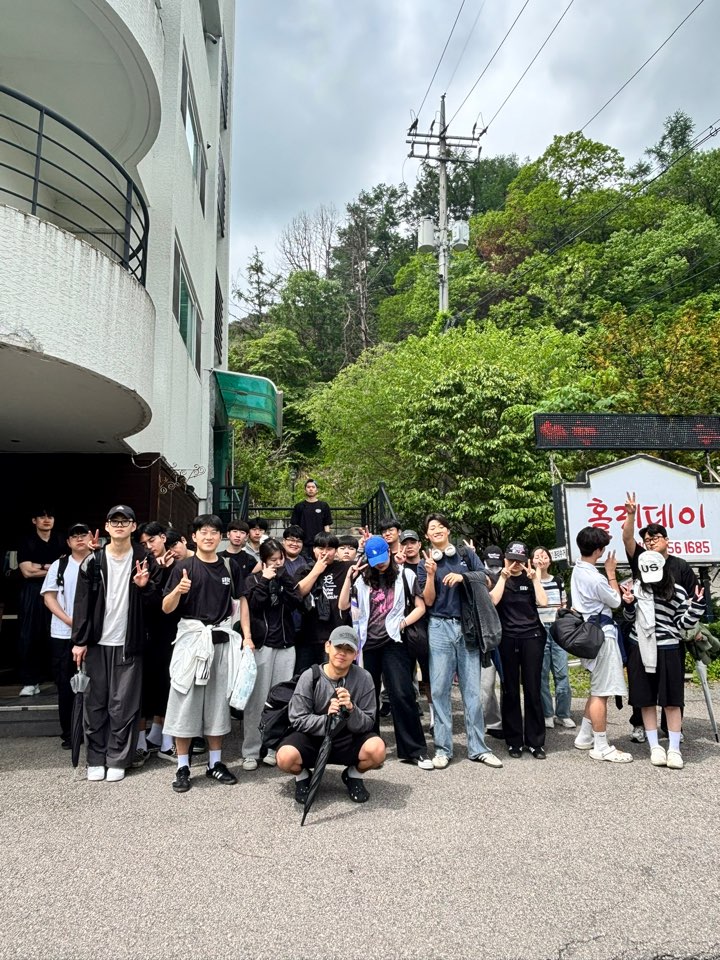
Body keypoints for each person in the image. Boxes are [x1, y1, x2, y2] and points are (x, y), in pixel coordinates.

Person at [162, 514, 248, 793]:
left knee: (217, 705)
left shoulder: (230, 566)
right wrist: (178, 590)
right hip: (191, 643)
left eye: (214, 532)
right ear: (194, 536)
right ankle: (182, 766)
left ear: (220, 537)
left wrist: (247, 637)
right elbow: (166, 607)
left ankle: (215, 763)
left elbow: (242, 601)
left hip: (220, 642)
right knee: (184, 702)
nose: (209, 536)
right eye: (203, 532)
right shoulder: (183, 567)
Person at [71, 505, 154, 782]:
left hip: (129, 642)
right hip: (97, 642)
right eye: (114, 521)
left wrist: (144, 587)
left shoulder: (144, 559)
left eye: (125, 521)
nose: (119, 525)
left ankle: (117, 758)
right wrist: (80, 641)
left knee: (124, 705)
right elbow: (81, 604)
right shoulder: (93, 560)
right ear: (106, 526)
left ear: (134, 526)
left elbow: (156, 603)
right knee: (95, 703)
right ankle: (95, 758)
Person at [338, 536, 433, 770]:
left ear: (389, 553)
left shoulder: (405, 575)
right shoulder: (361, 577)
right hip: (366, 643)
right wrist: (349, 579)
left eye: (382, 558)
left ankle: (414, 750)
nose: (379, 564)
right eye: (374, 561)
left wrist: (403, 623)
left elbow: (420, 607)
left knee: (402, 693)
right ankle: (371, 749)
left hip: (394, 641)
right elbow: (343, 606)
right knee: (367, 698)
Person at [417, 513, 502, 770]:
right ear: (427, 536)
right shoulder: (425, 562)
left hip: (467, 627)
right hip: (439, 626)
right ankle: (443, 749)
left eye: (441, 526)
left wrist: (463, 577)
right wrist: (430, 575)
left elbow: (488, 579)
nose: (437, 530)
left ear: (448, 531)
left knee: (472, 690)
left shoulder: (465, 554)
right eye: (432, 528)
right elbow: (428, 601)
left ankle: (479, 748)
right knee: (440, 690)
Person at [276, 625, 386, 805]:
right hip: (314, 737)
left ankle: (353, 775)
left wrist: (351, 709)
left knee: (377, 749)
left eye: (348, 649)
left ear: (356, 654)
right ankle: (302, 776)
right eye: (338, 647)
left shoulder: (364, 678)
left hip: (348, 736)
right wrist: (326, 719)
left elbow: (368, 722)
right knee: (285, 757)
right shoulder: (310, 676)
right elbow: (297, 718)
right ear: (327, 646)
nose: (342, 653)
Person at [622, 493, 699, 743]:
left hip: (671, 637)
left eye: (655, 538)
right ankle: (640, 725)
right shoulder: (641, 561)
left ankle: (673, 729)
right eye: (647, 539)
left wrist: (693, 628)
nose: (650, 542)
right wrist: (631, 515)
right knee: (642, 684)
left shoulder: (681, 566)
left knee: (672, 686)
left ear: (667, 540)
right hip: (642, 636)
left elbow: (693, 598)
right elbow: (627, 538)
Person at [621, 550, 705, 770]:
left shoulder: (677, 591)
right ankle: (655, 747)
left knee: (672, 701)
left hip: (669, 648)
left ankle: (674, 749)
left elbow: (682, 624)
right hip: (640, 648)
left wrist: (696, 606)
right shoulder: (636, 589)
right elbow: (629, 619)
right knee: (646, 700)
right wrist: (628, 604)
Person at [570, 526, 632, 764]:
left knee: (597, 687)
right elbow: (615, 601)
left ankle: (585, 736)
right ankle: (601, 746)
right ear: (599, 550)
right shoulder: (595, 578)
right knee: (601, 692)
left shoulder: (578, 569)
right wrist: (611, 573)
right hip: (602, 635)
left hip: (590, 634)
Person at [240, 538, 303, 771]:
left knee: (281, 699)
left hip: (286, 645)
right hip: (263, 645)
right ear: (263, 560)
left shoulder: (286, 577)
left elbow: (298, 601)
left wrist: (283, 578)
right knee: (257, 699)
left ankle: (274, 747)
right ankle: (250, 751)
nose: (277, 563)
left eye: (280, 559)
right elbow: (255, 606)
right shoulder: (253, 580)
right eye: (272, 560)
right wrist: (265, 581)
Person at [489, 542, 548, 759]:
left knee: (533, 689)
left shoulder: (530, 578)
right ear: (505, 559)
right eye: (511, 560)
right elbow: (492, 601)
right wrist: (504, 578)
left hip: (532, 637)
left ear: (526, 561)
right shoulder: (498, 578)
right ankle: (514, 740)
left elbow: (543, 602)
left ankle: (535, 742)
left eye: (519, 561)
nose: (515, 564)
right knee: (510, 690)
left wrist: (535, 579)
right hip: (507, 639)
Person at [40, 523, 93, 749]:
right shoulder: (59, 565)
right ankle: (70, 733)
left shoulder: (99, 562)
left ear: (91, 538)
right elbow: (49, 597)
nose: (79, 539)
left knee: (96, 684)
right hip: (62, 633)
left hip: (95, 633)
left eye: (83, 535)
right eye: (75, 536)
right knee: (65, 685)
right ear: (69, 542)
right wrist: (70, 620)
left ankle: (94, 731)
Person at [17, 508, 63, 695]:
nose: (46, 520)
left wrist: (40, 567)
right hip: (33, 592)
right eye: (42, 516)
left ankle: (60, 679)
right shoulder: (26, 541)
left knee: (57, 634)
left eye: (50, 516)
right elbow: (27, 571)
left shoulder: (61, 540)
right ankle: (30, 681)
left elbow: (64, 568)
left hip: (57, 591)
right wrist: (51, 567)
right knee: (30, 635)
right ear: (34, 520)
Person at [531, 546, 575, 731]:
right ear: (532, 561)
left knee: (562, 673)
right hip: (538, 630)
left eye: (545, 556)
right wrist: (536, 573)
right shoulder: (531, 581)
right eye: (537, 556)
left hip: (557, 630)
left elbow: (564, 605)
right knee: (542, 675)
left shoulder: (557, 581)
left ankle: (563, 714)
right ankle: (547, 713)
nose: (541, 558)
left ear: (550, 560)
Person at [294, 533, 351, 672]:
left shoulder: (345, 568)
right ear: (314, 549)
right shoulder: (304, 570)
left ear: (336, 551)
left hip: (335, 637)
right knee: (304, 677)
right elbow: (298, 593)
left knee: (331, 677)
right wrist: (316, 571)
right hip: (308, 636)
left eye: (329, 548)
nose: (325, 552)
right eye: (321, 548)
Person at [479, 545, 504, 738]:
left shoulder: (509, 576)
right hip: (486, 638)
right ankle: (489, 722)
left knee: (508, 684)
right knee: (485, 685)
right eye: (490, 565)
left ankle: (503, 722)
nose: (493, 569)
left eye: (496, 564)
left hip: (507, 638)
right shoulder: (479, 577)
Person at [290, 479, 332, 554]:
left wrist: (327, 541)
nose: (311, 489)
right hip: (303, 544)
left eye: (313, 487)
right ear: (305, 490)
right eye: (308, 487)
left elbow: (326, 525)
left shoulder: (324, 506)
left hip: (319, 543)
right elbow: (294, 527)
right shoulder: (299, 506)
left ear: (317, 490)